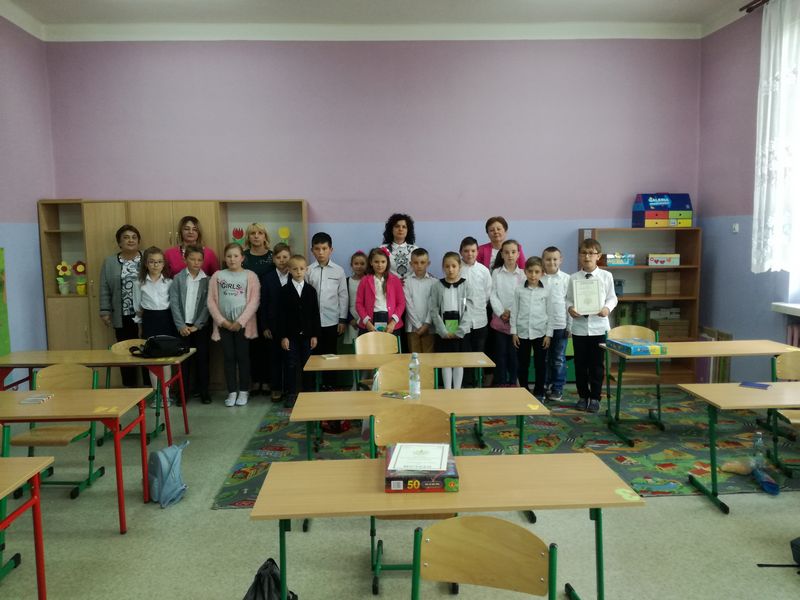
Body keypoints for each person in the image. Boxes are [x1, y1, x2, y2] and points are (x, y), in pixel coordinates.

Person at [566, 238, 618, 413]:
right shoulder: (573, 278)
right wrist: (570, 308)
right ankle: (583, 396)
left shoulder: (606, 276)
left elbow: (612, 297)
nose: (587, 257)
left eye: (591, 253)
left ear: (598, 256)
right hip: (580, 329)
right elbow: (568, 299)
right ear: (579, 255)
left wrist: (607, 308)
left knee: (596, 366)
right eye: (583, 253)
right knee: (580, 365)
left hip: (599, 328)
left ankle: (595, 398)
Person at [207, 242, 260, 407]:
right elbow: (211, 301)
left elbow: (254, 301)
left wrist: (240, 322)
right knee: (229, 358)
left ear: (242, 258)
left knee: (243, 357)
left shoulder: (250, 276)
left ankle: (243, 391)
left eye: (236, 256)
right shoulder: (218, 276)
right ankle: (231, 392)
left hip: (242, 326)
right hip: (224, 325)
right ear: (225, 258)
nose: (232, 259)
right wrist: (222, 321)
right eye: (229, 256)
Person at [99, 224, 145, 387]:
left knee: (147, 350)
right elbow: (104, 287)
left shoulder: (147, 258)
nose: (130, 240)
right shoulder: (110, 262)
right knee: (125, 352)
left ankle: (150, 387)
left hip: (146, 314)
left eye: (134, 237)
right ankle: (129, 387)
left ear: (138, 240)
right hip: (123, 315)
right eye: (126, 237)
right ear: (119, 242)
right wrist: (105, 311)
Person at [276, 254, 321, 408]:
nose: (299, 272)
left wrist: (314, 335)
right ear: (289, 270)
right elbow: (281, 316)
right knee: (291, 363)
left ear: (306, 269)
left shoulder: (311, 291)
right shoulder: (284, 291)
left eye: (302, 269)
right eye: (295, 269)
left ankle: (309, 392)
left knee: (308, 363)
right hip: (291, 336)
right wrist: (283, 336)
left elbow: (315, 314)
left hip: (307, 335)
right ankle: (291, 393)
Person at [133, 246, 177, 404]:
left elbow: (174, 303)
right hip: (149, 320)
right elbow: (137, 307)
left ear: (163, 264)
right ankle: (157, 394)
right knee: (152, 360)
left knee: (165, 359)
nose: (155, 265)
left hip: (166, 319)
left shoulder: (170, 282)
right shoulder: (139, 283)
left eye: (159, 262)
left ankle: (166, 394)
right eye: (151, 262)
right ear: (146, 264)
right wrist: (140, 326)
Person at [305, 232, 348, 389]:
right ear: (312, 250)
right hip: (312, 323)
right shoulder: (308, 271)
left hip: (332, 321)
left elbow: (343, 296)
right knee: (312, 356)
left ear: (331, 250)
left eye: (324, 248)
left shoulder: (339, 271)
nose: (321, 252)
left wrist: (342, 319)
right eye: (317, 249)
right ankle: (312, 387)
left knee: (330, 355)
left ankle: (330, 385)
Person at [170, 245, 211, 404]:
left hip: (200, 327)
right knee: (183, 362)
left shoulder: (207, 280)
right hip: (183, 327)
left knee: (202, 360)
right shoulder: (178, 279)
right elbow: (174, 303)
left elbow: (208, 305)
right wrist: (181, 325)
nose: (196, 262)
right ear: (185, 259)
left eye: (199, 260)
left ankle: (204, 392)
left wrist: (198, 325)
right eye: (192, 259)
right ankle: (182, 394)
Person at [430, 252, 474, 389]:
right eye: (447, 266)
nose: (450, 269)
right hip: (444, 330)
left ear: (459, 266)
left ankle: (457, 390)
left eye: (454, 266)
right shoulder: (437, 285)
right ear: (443, 267)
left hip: (460, 330)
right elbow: (434, 309)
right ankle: (447, 389)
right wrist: (443, 331)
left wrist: (460, 331)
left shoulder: (466, 285)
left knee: (458, 361)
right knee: (446, 361)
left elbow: (469, 309)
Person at [511, 256, 553, 400]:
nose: (533, 275)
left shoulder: (546, 291)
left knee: (540, 364)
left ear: (542, 273)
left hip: (541, 333)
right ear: (525, 272)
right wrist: (514, 332)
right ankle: (524, 390)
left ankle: (539, 391)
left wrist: (548, 334)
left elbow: (550, 313)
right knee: (523, 364)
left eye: (537, 272)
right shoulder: (518, 290)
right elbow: (514, 311)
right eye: (530, 271)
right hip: (522, 333)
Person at [243, 222, 274, 396]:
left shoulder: (272, 256)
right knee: (253, 346)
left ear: (265, 236)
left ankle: (268, 381)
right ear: (248, 237)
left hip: (268, 306)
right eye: (253, 233)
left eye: (260, 233)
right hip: (249, 307)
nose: (256, 236)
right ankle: (255, 381)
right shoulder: (243, 257)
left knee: (268, 344)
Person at [258, 243, 291, 402]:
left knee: (290, 358)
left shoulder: (295, 275)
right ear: (273, 259)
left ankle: (290, 389)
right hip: (273, 325)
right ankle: (276, 388)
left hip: (291, 325)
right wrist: (264, 326)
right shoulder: (267, 278)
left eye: (285, 257)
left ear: (290, 257)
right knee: (274, 358)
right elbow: (263, 304)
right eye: (278, 257)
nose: (282, 260)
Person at [490, 239, 526, 385]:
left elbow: (522, 296)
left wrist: (511, 312)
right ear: (502, 254)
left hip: (516, 322)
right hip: (499, 322)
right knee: (500, 354)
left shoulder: (523, 274)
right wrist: (501, 312)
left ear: (518, 254)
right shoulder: (496, 273)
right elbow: (493, 294)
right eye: (506, 252)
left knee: (514, 354)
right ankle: (501, 382)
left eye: (513, 252)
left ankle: (513, 382)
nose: (510, 255)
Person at [460, 236, 492, 386]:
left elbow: (487, 294)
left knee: (479, 354)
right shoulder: (457, 269)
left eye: (473, 250)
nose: (470, 254)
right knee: (464, 354)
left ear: (477, 251)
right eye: (466, 251)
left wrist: (478, 307)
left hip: (480, 320)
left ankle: (478, 383)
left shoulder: (484, 271)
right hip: (462, 321)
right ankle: (466, 383)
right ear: (461, 252)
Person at [541, 246, 571, 402]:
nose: (551, 262)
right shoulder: (538, 278)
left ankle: (557, 388)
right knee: (544, 358)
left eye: (555, 259)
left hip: (560, 325)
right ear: (543, 260)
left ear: (561, 260)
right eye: (548, 259)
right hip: (542, 326)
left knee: (558, 358)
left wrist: (570, 325)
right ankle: (544, 385)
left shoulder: (567, 279)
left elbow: (570, 303)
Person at [356, 247, 405, 335]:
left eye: (383, 262)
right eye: (376, 262)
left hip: (391, 322)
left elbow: (401, 303)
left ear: (387, 262)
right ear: (371, 262)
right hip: (370, 322)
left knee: (390, 344)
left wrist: (393, 322)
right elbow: (359, 304)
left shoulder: (395, 280)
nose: (380, 265)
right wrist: (367, 322)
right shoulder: (364, 280)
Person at [404, 248, 436, 354]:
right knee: (414, 357)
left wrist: (426, 324)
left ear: (428, 263)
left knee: (429, 357)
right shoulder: (406, 282)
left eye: (422, 262)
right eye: (416, 263)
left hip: (429, 327)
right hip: (412, 328)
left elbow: (433, 305)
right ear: (411, 264)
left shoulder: (434, 282)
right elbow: (409, 305)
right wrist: (418, 325)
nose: (419, 265)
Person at [380, 213, 418, 281]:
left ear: (408, 230)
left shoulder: (415, 250)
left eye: (404, 227)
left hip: (411, 285)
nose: (400, 229)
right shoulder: (382, 249)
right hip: (389, 285)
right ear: (391, 229)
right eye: (397, 226)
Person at [343, 250, 368, 348]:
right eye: (356, 264)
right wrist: (350, 319)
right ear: (351, 265)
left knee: (367, 346)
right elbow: (344, 302)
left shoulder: (369, 280)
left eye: (362, 264)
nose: (359, 266)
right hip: (352, 320)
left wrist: (365, 319)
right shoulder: (347, 281)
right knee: (354, 347)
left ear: (367, 265)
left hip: (367, 319)